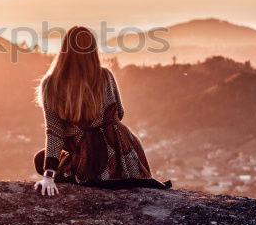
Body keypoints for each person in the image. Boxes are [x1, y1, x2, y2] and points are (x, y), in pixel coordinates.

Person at [34, 25, 171, 196]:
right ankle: (120, 177)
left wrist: (49, 175)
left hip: (87, 157)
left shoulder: (50, 84)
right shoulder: (105, 76)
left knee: (41, 159)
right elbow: (119, 113)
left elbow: (55, 133)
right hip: (120, 151)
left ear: (64, 50)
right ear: (92, 50)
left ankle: (90, 174)